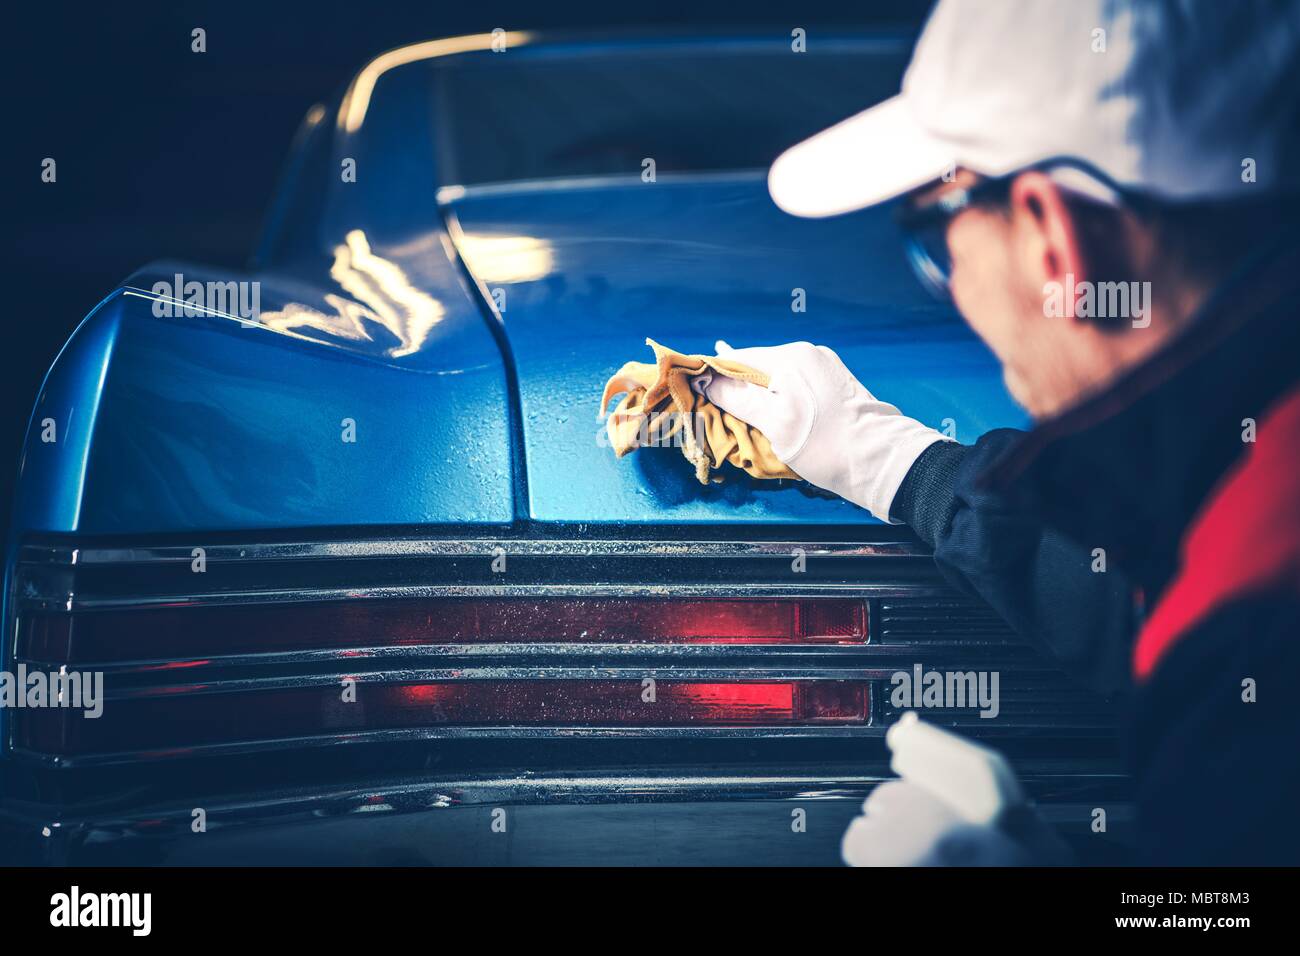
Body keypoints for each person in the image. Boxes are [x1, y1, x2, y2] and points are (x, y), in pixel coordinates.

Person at [706, 0, 1300, 865]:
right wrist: (896, 464)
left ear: (1054, 242)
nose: (950, 280)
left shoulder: (1257, 634)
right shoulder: (1247, 506)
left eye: (936, 237)